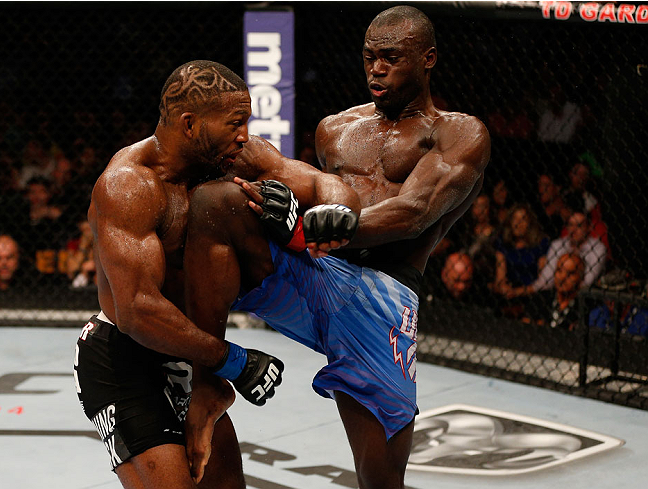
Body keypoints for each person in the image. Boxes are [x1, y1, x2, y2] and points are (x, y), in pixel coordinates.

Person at [183, 6, 490, 488]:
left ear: (428, 59)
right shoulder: (336, 129)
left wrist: (308, 229)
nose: (376, 69)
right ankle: (207, 379)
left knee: (381, 480)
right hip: (317, 272)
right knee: (216, 203)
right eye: (369, 57)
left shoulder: (457, 132)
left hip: (384, 295)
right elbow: (310, 188)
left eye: (391, 58)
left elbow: (412, 213)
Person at [73, 60, 360, 489]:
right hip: (124, 358)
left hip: (191, 356)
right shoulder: (129, 185)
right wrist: (233, 361)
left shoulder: (235, 157)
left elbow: (324, 184)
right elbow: (137, 310)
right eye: (234, 123)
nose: (244, 135)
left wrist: (332, 215)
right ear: (190, 124)